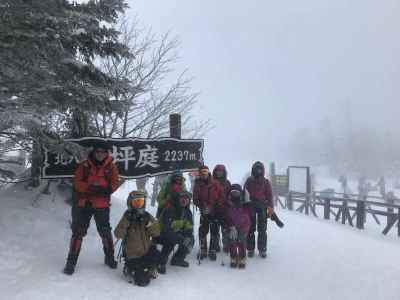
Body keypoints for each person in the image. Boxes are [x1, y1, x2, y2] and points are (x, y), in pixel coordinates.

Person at [63, 140, 119, 275]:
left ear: (107, 153)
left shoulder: (111, 167)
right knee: (78, 233)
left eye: (103, 152)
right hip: (85, 203)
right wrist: (90, 188)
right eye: (98, 151)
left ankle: (109, 258)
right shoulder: (85, 165)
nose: (100, 154)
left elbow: (115, 183)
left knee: (105, 232)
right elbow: (76, 182)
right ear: (94, 152)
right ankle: (71, 262)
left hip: (102, 204)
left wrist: (106, 190)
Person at [114, 191, 161, 287]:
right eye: (136, 203)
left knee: (159, 257)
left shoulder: (147, 216)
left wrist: (148, 223)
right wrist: (127, 221)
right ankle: (131, 268)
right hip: (133, 255)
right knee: (143, 281)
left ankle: (149, 268)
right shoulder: (127, 216)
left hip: (146, 251)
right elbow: (118, 234)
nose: (139, 205)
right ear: (130, 203)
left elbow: (156, 232)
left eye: (141, 202)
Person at [157, 191, 194, 274]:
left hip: (176, 233)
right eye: (182, 198)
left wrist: (186, 236)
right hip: (161, 234)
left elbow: (190, 227)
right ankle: (161, 263)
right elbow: (166, 229)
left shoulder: (188, 212)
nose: (184, 200)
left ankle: (178, 259)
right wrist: (179, 237)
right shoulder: (170, 209)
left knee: (190, 239)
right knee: (170, 240)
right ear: (179, 199)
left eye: (186, 199)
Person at [193, 165, 224, 261]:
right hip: (204, 210)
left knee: (214, 230)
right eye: (202, 172)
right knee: (203, 230)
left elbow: (221, 196)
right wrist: (202, 206)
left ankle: (212, 249)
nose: (204, 174)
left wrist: (217, 205)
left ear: (208, 172)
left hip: (214, 210)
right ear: (199, 173)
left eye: (205, 171)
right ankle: (203, 249)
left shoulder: (215, 183)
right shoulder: (197, 184)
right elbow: (195, 198)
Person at [244, 161, 273, 258]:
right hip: (251, 205)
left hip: (262, 206)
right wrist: (244, 205)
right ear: (253, 170)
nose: (258, 171)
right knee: (250, 228)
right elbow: (245, 193)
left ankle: (262, 249)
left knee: (262, 229)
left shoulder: (266, 182)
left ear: (263, 170)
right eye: (257, 169)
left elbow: (269, 195)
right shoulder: (249, 181)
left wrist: (270, 207)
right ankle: (251, 249)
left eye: (260, 169)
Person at [225, 184, 251, 269]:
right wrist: (231, 226)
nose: (235, 194)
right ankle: (233, 257)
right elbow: (227, 217)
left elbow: (247, 215)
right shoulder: (228, 204)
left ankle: (242, 258)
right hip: (232, 227)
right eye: (233, 193)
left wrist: (247, 200)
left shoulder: (244, 203)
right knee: (232, 242)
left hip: (243, 226)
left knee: (241, 242)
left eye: (237, 192)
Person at [212, 164, 231, 253]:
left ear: (224, 173)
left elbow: (230, 195)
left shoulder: (227, 183)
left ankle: (226, 245)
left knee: (225, 229)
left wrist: (228, 203)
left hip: (224, 209)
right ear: (215, 172)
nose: (219, 173)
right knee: (215, 228)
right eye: (217, 171)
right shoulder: (211, 182)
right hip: (214, 209)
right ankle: (215, 245)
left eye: (221, 172)